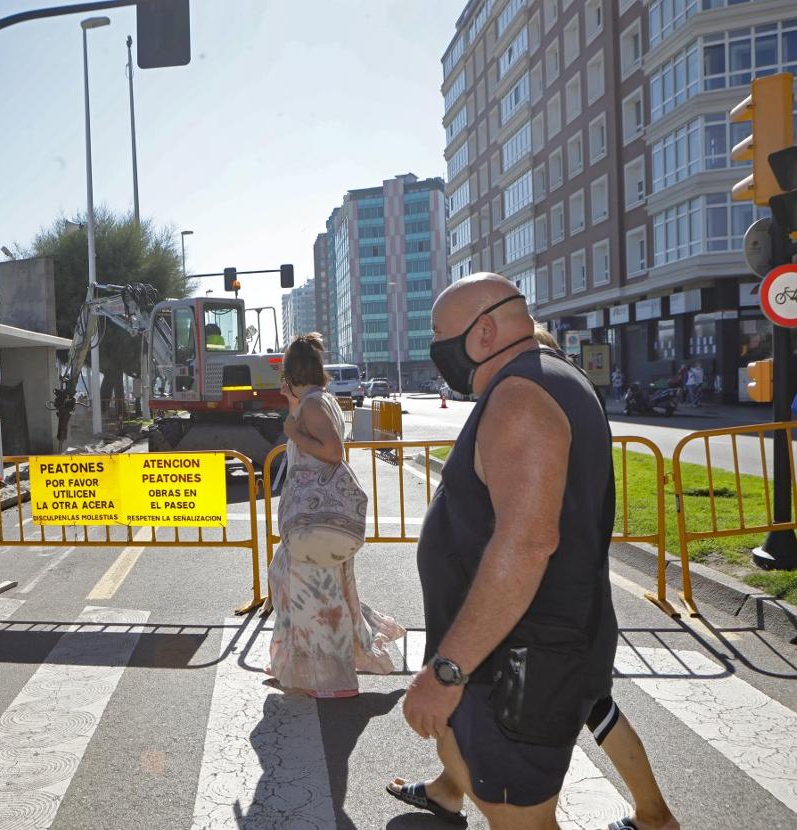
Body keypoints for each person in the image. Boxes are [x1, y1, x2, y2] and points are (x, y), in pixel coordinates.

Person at [394, 274, 675, 829]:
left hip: (516, 665)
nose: (435, 350)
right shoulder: (550, 378)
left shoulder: (520, 396)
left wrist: (447, 672)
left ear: (484, 331)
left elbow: (526, 546)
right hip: (531, 655)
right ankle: (449, 791)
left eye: (438, 335)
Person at [266, 332, 405, 698]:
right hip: (313, 521)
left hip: (316, 520)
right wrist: (291, 408)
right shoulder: (315, 401)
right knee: (292, 584)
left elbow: (332, 452)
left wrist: (293, 431)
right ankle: (298, 665)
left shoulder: (312, 406)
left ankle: (328, 677)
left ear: (293, 370)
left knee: (313, 600)